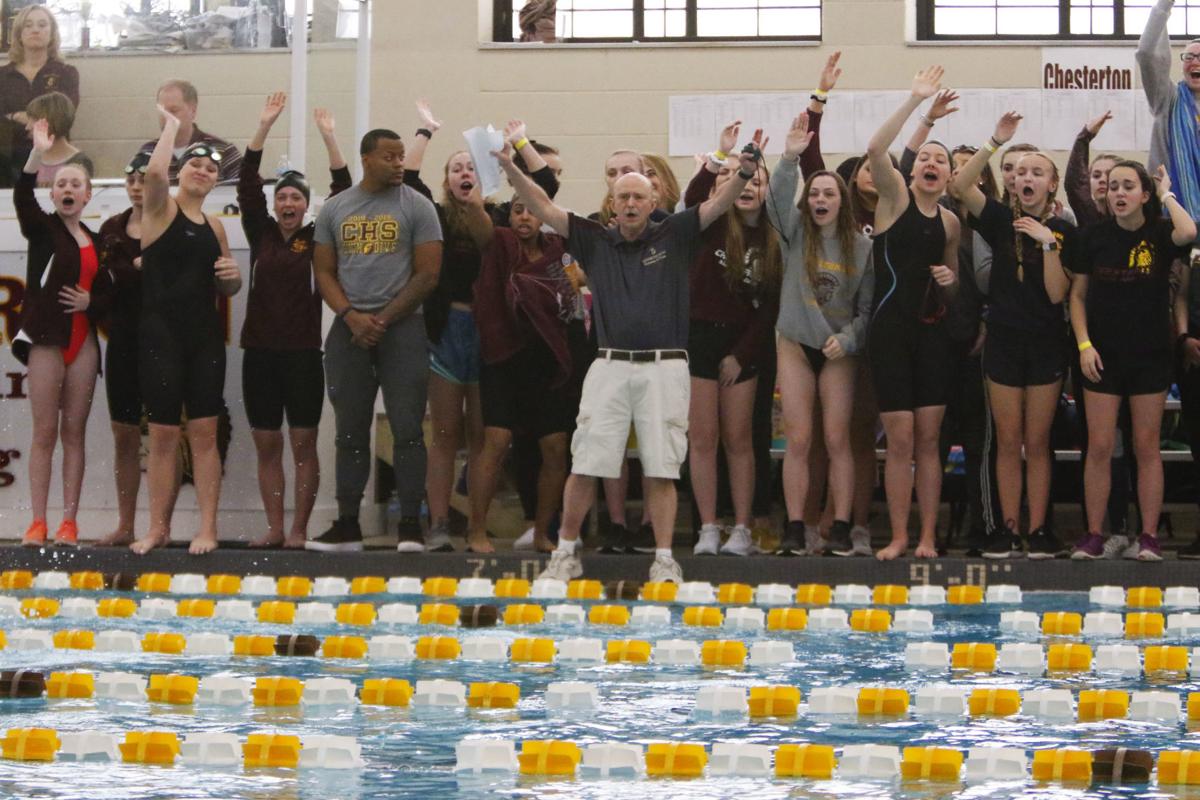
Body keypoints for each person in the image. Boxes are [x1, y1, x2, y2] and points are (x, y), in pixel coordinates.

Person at [501, 134, 764, 584]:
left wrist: (742, 171)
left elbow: (717, 206)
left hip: (665, 366)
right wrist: (511, 169)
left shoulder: (676, 233)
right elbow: (543, 206)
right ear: (611, 202)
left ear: (653, 199)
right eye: (622, 195)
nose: (629, 203)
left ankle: (664, 558)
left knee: (661, 465)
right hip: (609, 365)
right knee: (586, 461)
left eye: (638, 196)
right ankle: (565, 553)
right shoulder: (593, 239)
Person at [401, 105, 558, 553]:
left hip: (493, 334)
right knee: (446, 435)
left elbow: (546, 186)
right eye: (456, 168)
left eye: (471, 165)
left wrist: (521, 145)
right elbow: (408, 181)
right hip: (449, 330)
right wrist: (426, 132)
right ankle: (438, 523)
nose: (463, 172)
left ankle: (477, 525)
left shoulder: (507, 217)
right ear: (448, 179)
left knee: (485, 438)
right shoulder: (434, 217)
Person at [311, 129, 442, 552]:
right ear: (366, 159)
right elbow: (324, 272)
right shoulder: (336, 208)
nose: (399, 163)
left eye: (402, 156)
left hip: (402, 329)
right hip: (349, 329)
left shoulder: (418, 207)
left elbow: (428, 275)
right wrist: (351, 317)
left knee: (407, 429)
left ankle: (409, 525)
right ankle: (348, 523)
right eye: (390, 156)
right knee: (349, 431)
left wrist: (382, 319)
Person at [950, 112, 1073, 560]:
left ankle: (1038, 529)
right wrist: (994, 142)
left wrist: (1048, 242)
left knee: (1037, 442)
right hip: (1002, 341)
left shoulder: (1063, 231)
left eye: (1036, 172)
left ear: (1051, 184)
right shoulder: (999, 219)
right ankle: (1006, 527)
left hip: (1044, 344)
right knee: (1006, 440)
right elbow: (961, 187)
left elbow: (1058, 293)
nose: (1027, 177)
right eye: (1020, 171)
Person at [238, 93, 351, 549]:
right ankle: (274, 527)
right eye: (281, 196)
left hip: (303, 356)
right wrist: (263, 127)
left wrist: (329, 139)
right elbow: (246, 182)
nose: (287, 203)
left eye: (295, 198)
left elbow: (344, 193)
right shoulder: (260, 232)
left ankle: (299, 529)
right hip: (259, 356)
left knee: (303, 446)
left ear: (306, 206)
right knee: (268, 447)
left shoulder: (320, 235)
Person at [1069, 161, 1195, 561]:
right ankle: (1093, 533)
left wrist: (1166, 193)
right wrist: (1085, 345)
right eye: (1113, 187)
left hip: (1150, 357)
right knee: (1101, 446)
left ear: (1143, 194)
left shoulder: (1160, 232)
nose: (1118, 193)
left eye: (1128, 186)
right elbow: (1077, 297)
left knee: (1146, 448)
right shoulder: (1093, 237)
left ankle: (1149, 536)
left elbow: (1190, 231)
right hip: (1102, 357)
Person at [131, 104, 242, 555]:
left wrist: (232, 280)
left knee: (204, 433)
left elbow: (226, 286)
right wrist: (172, 128)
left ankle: (208, 527)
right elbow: (155, 174)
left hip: (204, 340)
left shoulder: (215, 226)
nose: (202, 172)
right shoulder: (160, 209)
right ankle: (158, 527)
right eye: (194, 165)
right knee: (161, 435)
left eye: (209, 168)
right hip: (160, 337)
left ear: (217, 181)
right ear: (181, 171)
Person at [865, 66, 961, 560]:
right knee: (899, 441)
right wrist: (915, 104)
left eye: (940, 160)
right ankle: (899, 535)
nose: (931, 163)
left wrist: (950, 284)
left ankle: (927, 538)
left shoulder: (949, 222)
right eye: (924, 156)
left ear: (948, 176)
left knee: (929, 442)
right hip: (889, 335)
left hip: (931, 338)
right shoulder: (895, 199)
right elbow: (877, 151)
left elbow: (951, 287)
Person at [768, 113, 873, 558]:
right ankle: (795, 525)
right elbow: (775, 202)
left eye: (829, 193)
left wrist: (848, 339)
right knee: (799, 439)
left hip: (837, 349)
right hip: (795, 343)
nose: (820, 199)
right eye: (814, 193)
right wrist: (790, 157)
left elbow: (868, 311)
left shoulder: (862, 246)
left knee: (837, 439)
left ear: (841, 200)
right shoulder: (795, 234)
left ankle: (844, 525)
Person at [683, 126, 782, 557]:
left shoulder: (774, 238)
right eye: (742, 181)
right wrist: (721, 158)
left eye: (758, 182)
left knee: (739, 439)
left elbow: (771, 308)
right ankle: (709, 525)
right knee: (702, 439)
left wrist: (741, 355)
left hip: (745, 343)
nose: (748, 188)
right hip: (700, 337)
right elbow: (691, 199)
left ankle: (741, 527)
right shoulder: (711, 226)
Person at [14, 118, 108, 547]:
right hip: (47, 341)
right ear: (53, 194)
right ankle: (38, 521)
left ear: (87, 196)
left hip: (83, 343)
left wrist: (94, 303)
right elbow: (20, 194)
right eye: (62, 184)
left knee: (74, 434)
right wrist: (38, 152)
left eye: (76, 185)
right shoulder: (43, 229)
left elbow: (109, 293)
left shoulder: (96, 238)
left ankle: (69, 522)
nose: (68, 190)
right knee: (44, 434)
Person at [470, 196, 576, 555]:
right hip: (503, 357)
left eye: (532, 210)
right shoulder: (499, 241)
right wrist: (472, 200)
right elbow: (479, 225)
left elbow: (576, 290)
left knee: (555, 448)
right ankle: (476, 530)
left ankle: (542, 531)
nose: (525, 217)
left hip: (546, 359)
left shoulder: (558, 250)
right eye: (518, 210)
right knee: (497, 442)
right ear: (510, 216)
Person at [93, 150, 182, 547]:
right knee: (124, 435)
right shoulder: (111, 228)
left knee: (165, 434)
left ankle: (160, 525)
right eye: (130, 179)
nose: (135, 187)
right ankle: (127, 524)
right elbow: (105, 284)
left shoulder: (174, 226)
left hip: (164, 340)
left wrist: (138, 270)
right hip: (124, 340)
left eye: (144, 179)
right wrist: (134, 270)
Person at [0, 4, 78, 187]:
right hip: (9, 158)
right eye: (28, 25)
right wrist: (40, 118)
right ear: (19, 33)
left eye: (42, 25)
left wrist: (18, 116)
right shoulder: (2, 76)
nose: (35, 29)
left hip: (55, 157)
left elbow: (64, 114)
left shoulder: (67, 73)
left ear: (52, 33)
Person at [138, 79, 242, 184]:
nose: (166, 117)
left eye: (173, 110)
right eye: (162, 111)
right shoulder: (148, 151)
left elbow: (249, 191)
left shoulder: (224, 151)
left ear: (193, 111)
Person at [22, 91, 90, 187]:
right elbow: (23, 190)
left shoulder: (80, 161)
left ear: (50, 121)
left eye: (33, 120)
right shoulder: (32, 157)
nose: (27, 127)